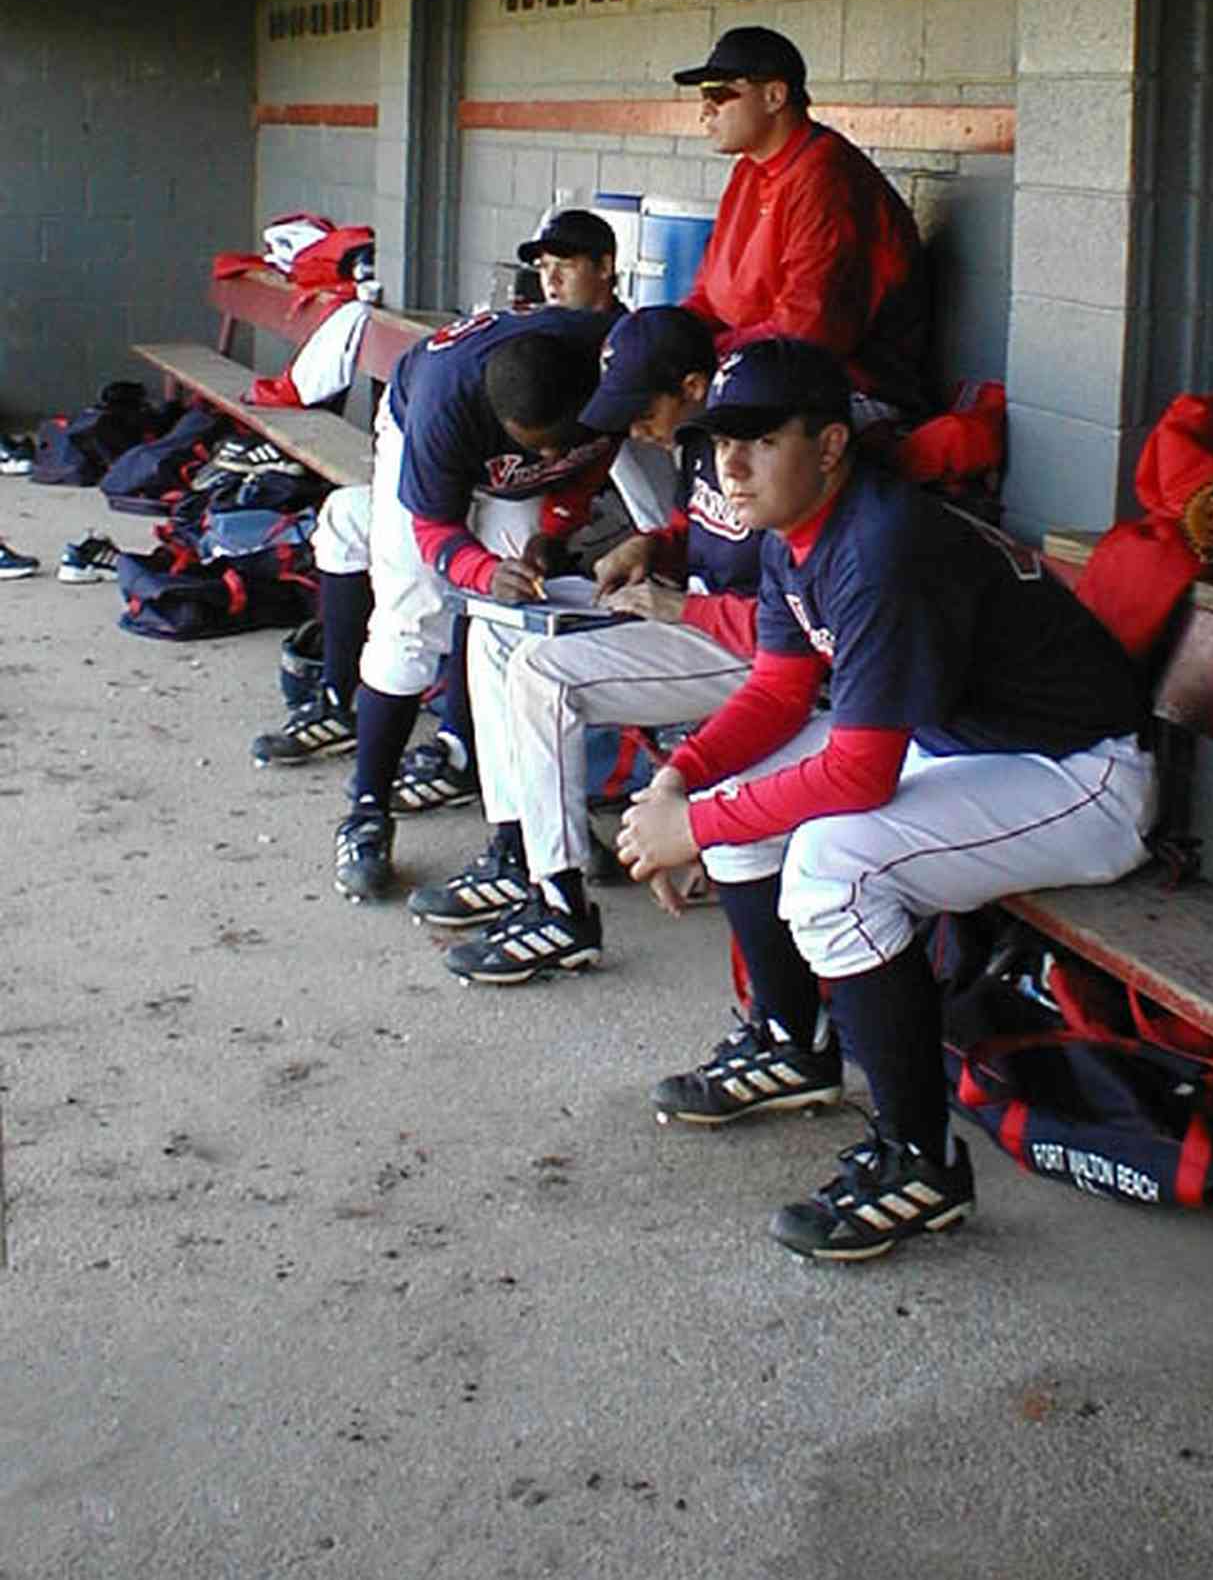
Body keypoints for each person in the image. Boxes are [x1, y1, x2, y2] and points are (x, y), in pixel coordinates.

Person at [615, 338, 1155, 1262]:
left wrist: (690, 829)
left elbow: (859, 775)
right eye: (721, 441)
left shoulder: (880, 546)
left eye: (760, 440)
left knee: (834, 867)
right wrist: (680, 782)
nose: (730, 467)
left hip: (1083, 775)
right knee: (746, 796)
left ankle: (922, 1163)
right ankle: (791, 1041)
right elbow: (779, 692)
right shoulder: (795, 530)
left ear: (830, 445)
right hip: (971, 748)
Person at [411, 305, 766, 981]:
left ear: (694, 387)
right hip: (699, 614)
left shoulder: (762, 454)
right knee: (496, 627)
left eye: (643, 413)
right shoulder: (700, 438)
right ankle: (518, 846)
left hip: (753, 649)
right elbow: (701, 531)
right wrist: (650, 545)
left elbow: (797, 617)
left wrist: (681, 606)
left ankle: (562, 906)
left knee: (544, 676)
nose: (633, 431)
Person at [331, 301, 619, 903]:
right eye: (535, 445)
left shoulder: (612, 368)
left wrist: (552, 532)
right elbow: (434, 530)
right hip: (421, 426)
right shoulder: (445, 407)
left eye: (557, 442)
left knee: (517, 627)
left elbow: (585, 467)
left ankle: (539, 824)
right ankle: (367, 811)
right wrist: (483, 572)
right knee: (410, 619)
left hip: (517, 441)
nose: (548, 457)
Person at [673, 27, 930, 422]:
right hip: (760, 368)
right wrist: (665, 338)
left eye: (719, 94)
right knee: (640, 384)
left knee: (675, 415)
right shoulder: (748, 171)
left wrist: (707, 354)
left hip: (845, 390)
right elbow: (707, 296)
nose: (705, 111)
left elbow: (808, 332)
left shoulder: (827, 176)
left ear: (774, 96)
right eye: (703, 97)